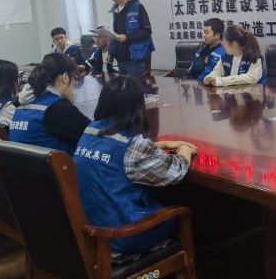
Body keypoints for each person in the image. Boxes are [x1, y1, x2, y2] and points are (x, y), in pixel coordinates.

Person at [74, 75, 197, 256]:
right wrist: (185, 149)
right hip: (121, 235)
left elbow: (116, 151)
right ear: (138, 107)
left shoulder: (91, 129)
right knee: (178, 214)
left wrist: (157, 145)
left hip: (91, 229)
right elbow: (176, 171)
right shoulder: (134, 144)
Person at [9, 53, 90, 152]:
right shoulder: (58, 108)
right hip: (57, 162)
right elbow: (94, 135)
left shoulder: (22, 102)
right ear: (65, 77)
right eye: (75, 78)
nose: (75, 83)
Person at [103, 0, 155, 77]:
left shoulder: (137, 7)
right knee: (123, 87)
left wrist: (127, 37)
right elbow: (115, 34)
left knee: (135, 86)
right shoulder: (115, 10)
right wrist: (111, 52)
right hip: (120, 60)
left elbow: (147, 31)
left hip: (134, 60)